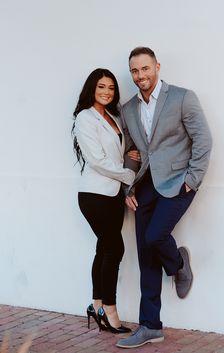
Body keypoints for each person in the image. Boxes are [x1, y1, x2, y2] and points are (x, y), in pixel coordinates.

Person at [116, 47, 212, 348]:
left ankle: (178, 264)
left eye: (145, 68)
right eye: (134, 71)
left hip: (178, 182)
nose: (140, 75)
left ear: (156, 66)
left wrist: (192, 179)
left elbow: (203, 139)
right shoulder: (128, 108)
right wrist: (128, 187)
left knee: (157, 236)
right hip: (145, 185)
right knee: (145, 254)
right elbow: (131, 153)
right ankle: (150, 326)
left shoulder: (183, 97)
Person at [72, 68, 140, 334]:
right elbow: (97, 160)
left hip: (113, 195)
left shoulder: (112, 116)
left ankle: (96, 305)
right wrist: (128, 174)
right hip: (95, 195)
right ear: (92, 88)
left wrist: (130, 154)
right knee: (115, 249)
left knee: (104, 248)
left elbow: (116, 150)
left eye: (111, 88)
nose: (107, 92)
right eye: (102, 86)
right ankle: (110, 311)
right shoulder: (85, 118)